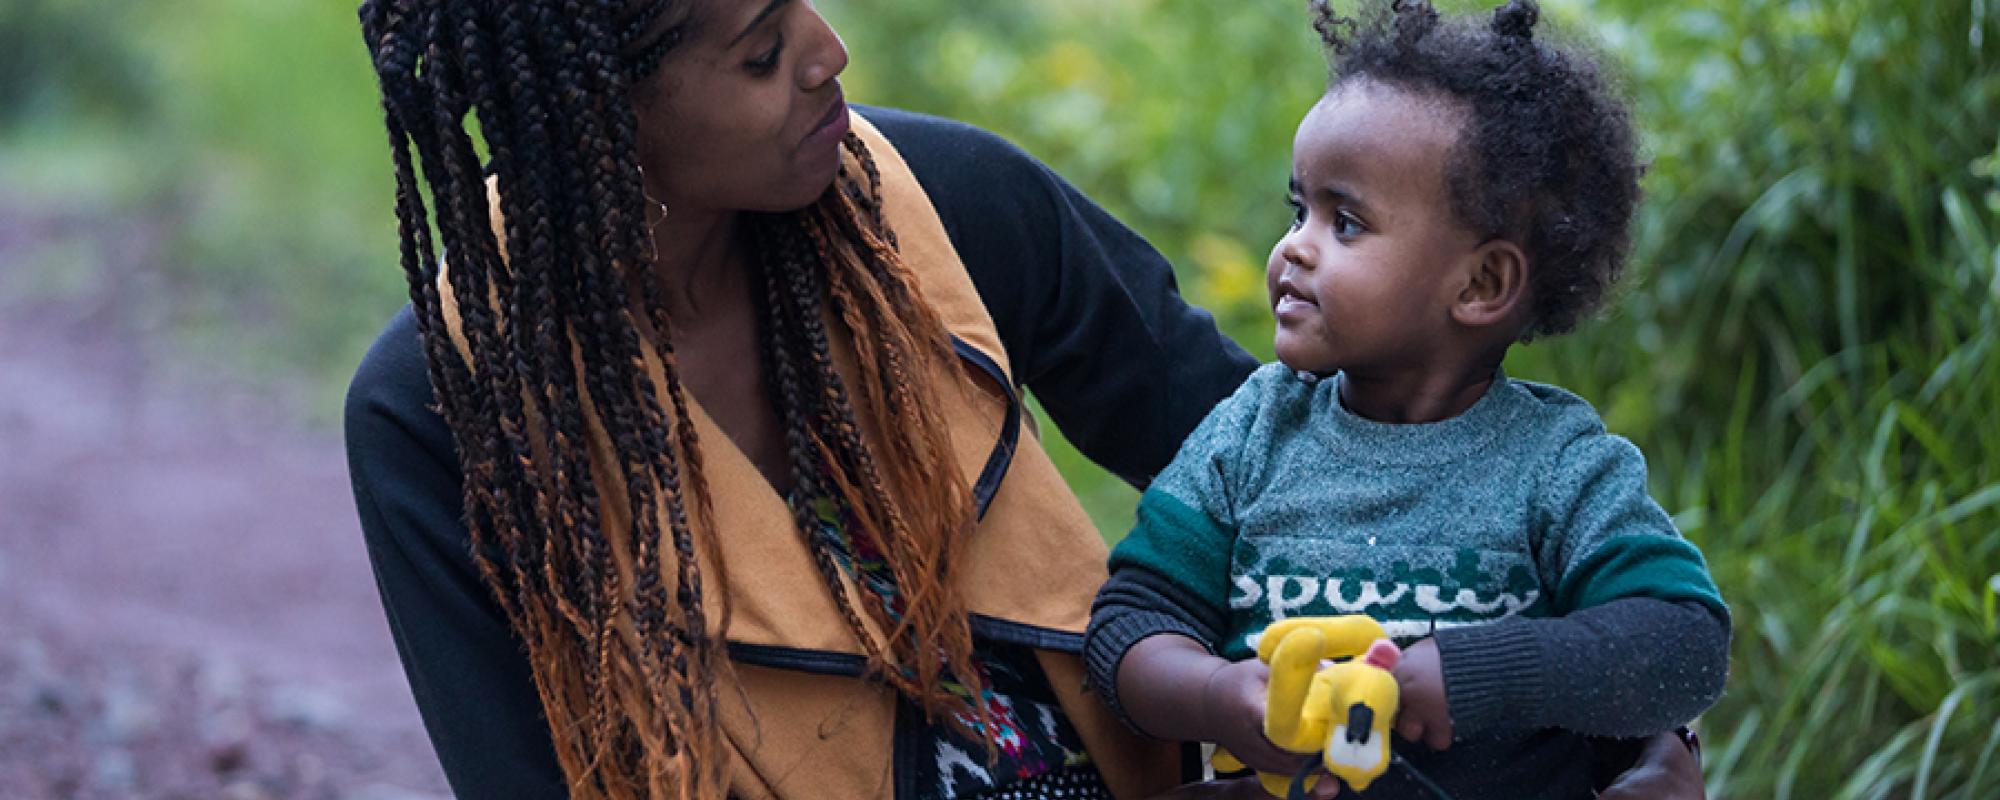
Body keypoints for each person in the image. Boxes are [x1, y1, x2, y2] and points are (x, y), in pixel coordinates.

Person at [342, 0, 1707, 797]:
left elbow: (1318, 497)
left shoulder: (941, 199)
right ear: (592, 122)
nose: (828, 52)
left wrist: (1606, 712)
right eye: (760, 52)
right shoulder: (442, 411)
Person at [1083, 2, 1729, 799]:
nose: (1294, 247)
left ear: (1481, 284)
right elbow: (1129, 623)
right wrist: (1220, 696)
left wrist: (1469, 675)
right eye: (1300, 210)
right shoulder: (1252, 433)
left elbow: (1684, 645)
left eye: (1345, 222)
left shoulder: (1555, 466)